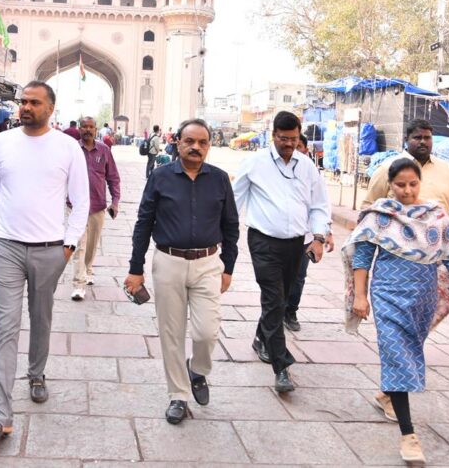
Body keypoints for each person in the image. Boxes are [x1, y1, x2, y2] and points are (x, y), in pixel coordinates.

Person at [0, 81, 89, 449]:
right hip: (6, 247)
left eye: (34, 102)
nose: (25, 107)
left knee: (41, 317)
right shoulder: (1, 143)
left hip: (50, 250)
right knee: (6, 326)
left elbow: (81, 201)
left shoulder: (68, 148)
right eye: (23, 101)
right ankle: (1, 417)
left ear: (51, 108)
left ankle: (36, 374)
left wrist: (68, 247)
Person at [342, 158, 449, 463]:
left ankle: (385, 393)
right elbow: (362, 258)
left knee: (407, 351)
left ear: (420, 183)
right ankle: (408, 435)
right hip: (387, 295)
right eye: (400, 185)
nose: (406, 190)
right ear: (390, 185)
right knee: (398, 354)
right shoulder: (378, 216)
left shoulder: (436, 216)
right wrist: (360, 297)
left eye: (412, 184)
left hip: (423, 298)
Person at [127, 119, 239, 424]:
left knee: (206, 331)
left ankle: (198, 370)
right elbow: (143, 223)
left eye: (203, 142)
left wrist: (228, 266)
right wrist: (135, 269)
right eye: (190, 141)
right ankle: (178, 394)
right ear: (178, 142)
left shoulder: (219, 180)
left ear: (209, 146)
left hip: (207, 265)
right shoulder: (161, 177)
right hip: (168, 263)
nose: (196, 147)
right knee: (171, 333)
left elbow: (231, 225)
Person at [232, 111, 329, 393]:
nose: (288, 144)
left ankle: (260, 337)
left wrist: (319, 237)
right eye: (283, 138)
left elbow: (319, 205)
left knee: (283, 299)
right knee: (274, 299)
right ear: (273, 135)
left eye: (293, 139)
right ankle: (282, 367)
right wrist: (221, 238)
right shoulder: (254, 163)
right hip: (263, 242)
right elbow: (234, 201)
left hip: (297, 245)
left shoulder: (307, 166)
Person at [363, 119, 449, 241]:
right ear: (406, 139)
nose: (423, 142)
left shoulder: (448, 171)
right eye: (417, 138)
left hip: (436, 249)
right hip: (396, 252)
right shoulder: (387, 169)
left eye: (427, 137)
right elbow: (369, 206)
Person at [284, 133, 335, 332]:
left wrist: (325, 233)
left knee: (298, 276)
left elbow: (322, 205)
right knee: (277, 278)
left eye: (299, 148)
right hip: (278, 238)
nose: (295, 152)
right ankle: (275, 312)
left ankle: (291, 312)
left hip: (305, 237)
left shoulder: (312, 172)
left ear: (305, 150)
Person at [71, 116, 121, 301]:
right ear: (80, 128)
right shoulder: (73, 149)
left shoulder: (104, 150)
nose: (87, 130)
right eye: (84, 126)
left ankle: (88, 269)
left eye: (91, 127)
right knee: (78, 245)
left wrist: (115, 201)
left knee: (91, 245)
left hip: (98, 206)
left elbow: (113, 178)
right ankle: (78, 284)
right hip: (75, 206)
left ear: (96, 129)